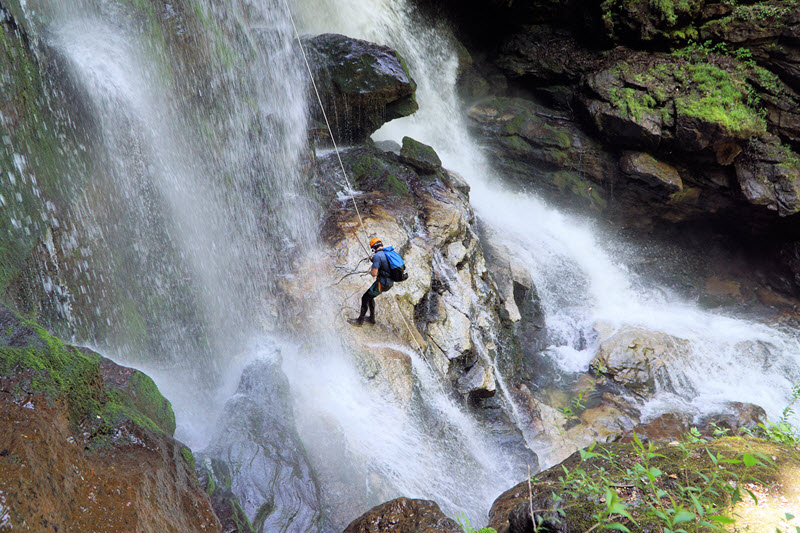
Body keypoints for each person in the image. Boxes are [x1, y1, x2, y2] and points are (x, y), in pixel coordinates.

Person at [348, 237, 393, 326]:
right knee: (370, 297)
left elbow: (374, 274)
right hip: (388, 282)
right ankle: (372, 319)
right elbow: (385, 264)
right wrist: (376, 262)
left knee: (365, 298)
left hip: (382, 283)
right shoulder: (387, 253)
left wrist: (374, 264)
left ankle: (359, 321)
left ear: (373, 248)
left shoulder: (377, 256)